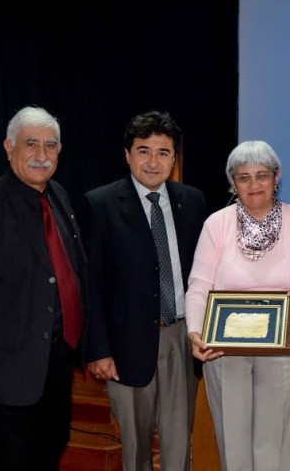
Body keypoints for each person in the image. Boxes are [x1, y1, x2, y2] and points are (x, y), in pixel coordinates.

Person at [0, 105, 87, 471]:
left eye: (50, 145)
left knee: (48, 454)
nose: (42, 155)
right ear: (9, 147)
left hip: (55, 365)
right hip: (4, 373)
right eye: (31, 144)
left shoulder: (59, 197)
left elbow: (69, 273)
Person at [78, 110, 206, 471]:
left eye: (163, 152)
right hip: (125, 346)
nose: (153, 161)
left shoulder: (192, 200)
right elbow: (92, 285)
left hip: (181, 340)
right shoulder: (99, 204)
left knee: (179, 441)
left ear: (174, 159)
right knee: (134, 449)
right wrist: (98, 349)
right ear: (127, 154)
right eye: (144, 150)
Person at [185, 140, 290, 471]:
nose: (254, 184)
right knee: (232, 437)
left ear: (277, 177)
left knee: (275, 438)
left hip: (284, 346)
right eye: (243, 177)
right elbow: (199, 285)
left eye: (262, 175)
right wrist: (195, 332)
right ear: (232, 182)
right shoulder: (216, 224)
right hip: (225, 347)